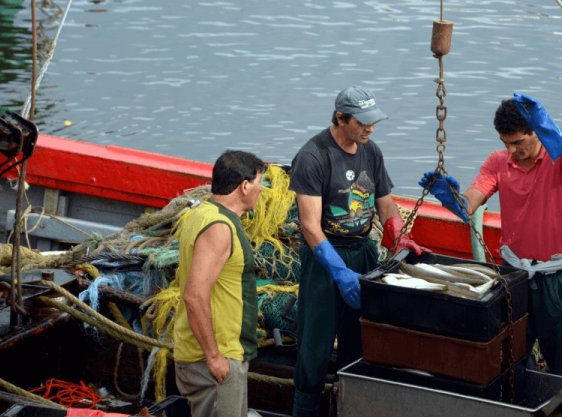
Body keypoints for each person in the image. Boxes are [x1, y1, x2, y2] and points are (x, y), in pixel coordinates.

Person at [419, 92, 562, 377]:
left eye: (518, 142)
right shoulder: (498, 162)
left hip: (561, 278)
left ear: (537, 133)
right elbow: (469, 205)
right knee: (509, 360)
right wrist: (451, 199)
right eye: (506, 143)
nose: (512, 150)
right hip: (515, 276)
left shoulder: (560, 159)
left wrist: (551, 128)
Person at [289, 85, 427, 417]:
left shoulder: (371, 152)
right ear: (341, 117)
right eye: (362, 122)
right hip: (325, 257)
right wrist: (339, 273)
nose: (370, 129)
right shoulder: (313, 157)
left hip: (363, 253)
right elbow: (309, 225)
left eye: (373, 122)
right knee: (314, 347)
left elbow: (385, 203)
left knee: (360, 342)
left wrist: (396, 231)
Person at [173, 150, 267, 417]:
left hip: (216, 355)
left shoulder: (203, 213)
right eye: (259, 183)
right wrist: (214, 357)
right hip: (213, 361)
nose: (261, 190)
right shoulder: (218, 228)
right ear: (245, 186)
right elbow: (194, 296)